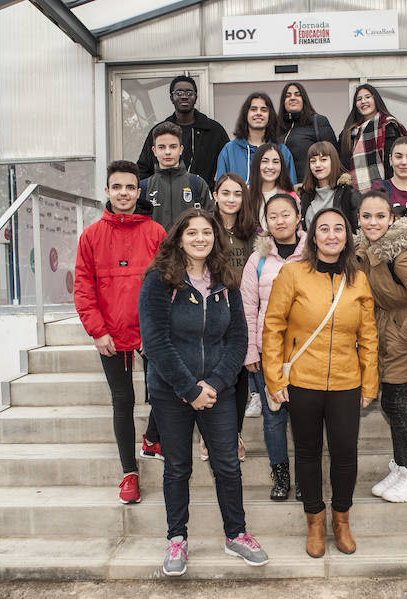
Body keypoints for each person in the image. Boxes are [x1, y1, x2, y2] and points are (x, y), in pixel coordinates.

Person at [139, 208, 269, 576]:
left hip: (218, 389)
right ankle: (176, 539)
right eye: (192, 232)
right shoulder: (158, 281)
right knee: (177, 467)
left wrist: (213, 383)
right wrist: (188, 388)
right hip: (172, 392)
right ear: (179, 238)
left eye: (207, 232)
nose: (200, 238)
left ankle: (236, 534)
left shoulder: (225, 280)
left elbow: (238, 337)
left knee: (227, 464)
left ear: (216, 238)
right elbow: (156, 342)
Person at [262, 207, 378, 558]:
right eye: (323, 229)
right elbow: (273, 327)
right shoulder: (293, 273)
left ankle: (341, 519)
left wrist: (369, 382)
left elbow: (369, 335)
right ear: (312, 236)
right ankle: (315, 520)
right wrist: (274, 377)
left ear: (347, 236)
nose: (331, 235)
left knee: (345, 455)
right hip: (303, 380)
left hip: (346, 381)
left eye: (338, 229)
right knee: (308, 454)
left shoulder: (358, 278)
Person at [74, 160, 167, 504]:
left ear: (138, 191)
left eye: (130, 187)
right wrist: (97, 331)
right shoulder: (92, 236)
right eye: (117, 187)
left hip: (150, 332)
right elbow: (83, 287)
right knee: (123, 400)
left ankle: (152, 439)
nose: (124, 193)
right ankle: (129, 473)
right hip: (111, 335)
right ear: (107, 192)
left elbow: (168, 282)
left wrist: (158, 327)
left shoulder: (156, 233)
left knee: (164, 390)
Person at [355, 190, 407, 503]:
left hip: (406, 338)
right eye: (366, 216)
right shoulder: (366, 251)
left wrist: (405, 330)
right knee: (392, 405)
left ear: (392, 219)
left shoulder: (402, 254)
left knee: (396, 406)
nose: (373, 222)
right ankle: (402, 467)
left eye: (380, 216)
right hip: (386, 334)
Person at [240, 193, 307, 501]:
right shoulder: (258, 259)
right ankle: (280, 474)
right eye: (273, 216)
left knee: (307, 415)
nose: (280, 221)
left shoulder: (313, 251)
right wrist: (251, 351)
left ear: (298, 216)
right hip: (270, 351)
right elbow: (247, 307)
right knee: (273, 416)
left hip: (308, 351)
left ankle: (307, 476)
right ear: (265, 222)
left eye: (285, 214)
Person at [211, 173, 260, 455]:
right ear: (215, 195)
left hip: (242, 312)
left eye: (237, 194)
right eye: (225, 193)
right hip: (213, 309)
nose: (231, 199)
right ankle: (209, 436)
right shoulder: (204, 226)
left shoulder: (253, 232)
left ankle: (234, 436)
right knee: (215, 373)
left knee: (240, 378)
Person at [136, 75, 230, 190]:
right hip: (165, 200)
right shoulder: (159, 132)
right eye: (179, 93)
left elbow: (228, 166)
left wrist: (214, 193)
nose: (184, 97)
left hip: (202, 200)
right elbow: (143, 169)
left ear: (196, 97)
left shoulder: (214, 130)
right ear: (171, 98)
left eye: (189, 93)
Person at [140, 121, 212, 229]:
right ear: (154, 151)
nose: (167, 152)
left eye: (173, 146)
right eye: (162, 147)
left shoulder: (197, 184)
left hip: (188, 245)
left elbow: (210, 222)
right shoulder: (144, 187)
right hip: (156, 246)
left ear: (181, 149)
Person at [338, 84, 407, 194]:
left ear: (376, 99)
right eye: (359, 99)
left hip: (387, 192)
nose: (363, 101)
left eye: (368, 97)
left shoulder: (388, 125)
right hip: (355, 196)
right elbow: (343, 165)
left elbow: (393, 164)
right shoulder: (348, 133)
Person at [215, 92, 297, 183]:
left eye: (264, 110)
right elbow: (221, 189)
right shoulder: (229, 151)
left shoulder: (282, 151)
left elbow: (290, 190)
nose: (258, 113)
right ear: (246, 114)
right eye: (253, 109)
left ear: (270, 115)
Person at [277, 82, 338, 184]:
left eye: (297, 94)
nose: (292, 98)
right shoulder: (278, 128)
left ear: (304, 100)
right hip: (283, 189)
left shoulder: (318, 121)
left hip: (310, 188)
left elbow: (334, 155)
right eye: (287, 96)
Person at [298, 141, 360, 232]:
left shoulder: (348, 194)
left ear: (333, 161)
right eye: (313, 161)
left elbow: (359, 231)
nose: (317, 165)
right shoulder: (305, 196)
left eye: (323, 159)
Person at [247, 142, 298, 231]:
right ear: (256, 164)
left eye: (275, 162)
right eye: (265, 161)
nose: (270, 166)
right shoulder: (245, 194)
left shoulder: (291, 196)